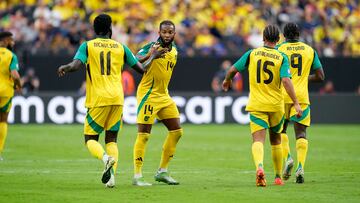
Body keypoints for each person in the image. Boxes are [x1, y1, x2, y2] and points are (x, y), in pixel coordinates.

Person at [57, 14, 150, 188]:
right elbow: (140, 68)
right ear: (110, 29)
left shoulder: (88, 46)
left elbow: (76, 65)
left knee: (90, 139)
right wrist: (153, 55)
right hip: (117, 98)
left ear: (94, 29)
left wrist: (65, 67)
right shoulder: (121, 47)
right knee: (112, 140)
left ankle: (105, 159)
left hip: (98, 99)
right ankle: (112, 178)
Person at [222, 25, 302, 187]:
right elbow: (286, 81)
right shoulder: (281, 57)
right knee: (276, 141)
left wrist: (227, 80)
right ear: (278, 39)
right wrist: (295, 102)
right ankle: (278, 177)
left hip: (257, 104)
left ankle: (259, 167)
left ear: (263, 38)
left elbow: (232, 70)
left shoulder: (252, 54)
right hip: (276, 106)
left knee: (258, 140)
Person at [132, 20, 183, 186]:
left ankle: (162, 172)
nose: (167, 35)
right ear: (159, 32)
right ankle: (137, 176)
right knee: (144, 135)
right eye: (164, 32)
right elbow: (136, 60)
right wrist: (152, 55)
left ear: (174, 34)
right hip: (148, 95)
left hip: (164, 96)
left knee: (176, 132)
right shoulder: (151, 46)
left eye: (170, 32)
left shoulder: (175, 51)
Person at [277, 22, 325, 183]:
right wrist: (304, 78)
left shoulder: (279, 49)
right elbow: (320, 76)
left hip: (282, 96)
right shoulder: (309, 50)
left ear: (284, 35)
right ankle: (300, 167)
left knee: (280, 131)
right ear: (298, 34)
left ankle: (288, 158)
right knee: (301, 134)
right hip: (302, 97)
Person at [0, 31, 22, 161]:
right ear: (6, 40)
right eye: (11, 40)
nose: (13, 43)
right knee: (2, 120)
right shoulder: (11, 55)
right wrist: (18, 85)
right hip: (5, 92)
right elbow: (15, 75)